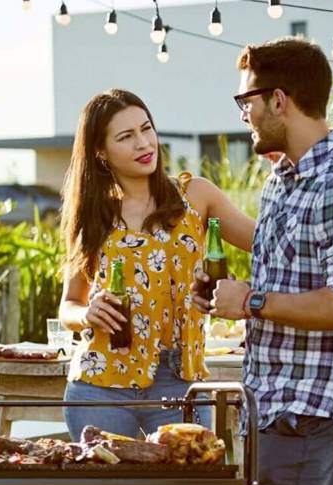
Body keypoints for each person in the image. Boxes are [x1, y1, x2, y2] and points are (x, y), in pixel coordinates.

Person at [197, 37, 333, 485]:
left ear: (278, 100)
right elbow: (281, 271)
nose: (244, 114)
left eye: (247, 100)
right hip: (268, 406)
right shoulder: (282, 180)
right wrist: (232, 291)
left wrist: (250, 301)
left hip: (307, 411)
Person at [55, 89, 257, 439]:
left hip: (180, 382)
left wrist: (245, 293)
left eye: (146, 129)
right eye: (126, 137)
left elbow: (269, 245)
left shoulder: (196, 195)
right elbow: (68, 304)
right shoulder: (94, 215)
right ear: (101, 152)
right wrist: (87, 313)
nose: (143, 143)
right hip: (99, 385)